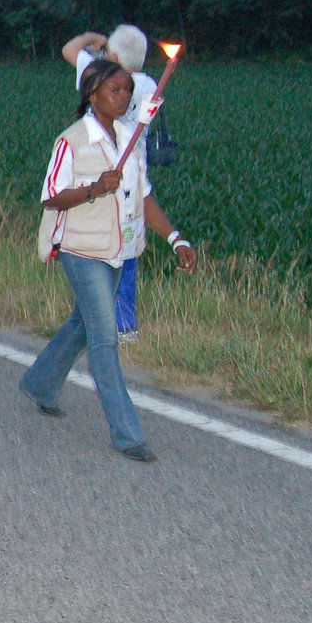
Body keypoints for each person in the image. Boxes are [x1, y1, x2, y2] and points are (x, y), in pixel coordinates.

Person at [20, 59, 197, 462]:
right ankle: (128, 434)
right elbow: (51, 195)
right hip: (82, 252)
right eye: (114, 91)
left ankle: (40, 383)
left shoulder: (131, 138)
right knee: (104, 338)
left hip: (120, 251)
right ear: (92, 94)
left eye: (126, 92)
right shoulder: (72, 141)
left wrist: (174, 237)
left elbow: (145, 195)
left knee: (83, 324)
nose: (123, 98)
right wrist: (95, 188)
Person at [60, 25, 160, 342]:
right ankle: (125, 322)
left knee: (95, 248)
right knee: (127, 248)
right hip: (134, 177)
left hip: (101, 173)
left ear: (113, 57)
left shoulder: (104, 82)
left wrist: (92, 38)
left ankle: (97, 319)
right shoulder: (149, 85)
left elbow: (69, 49)